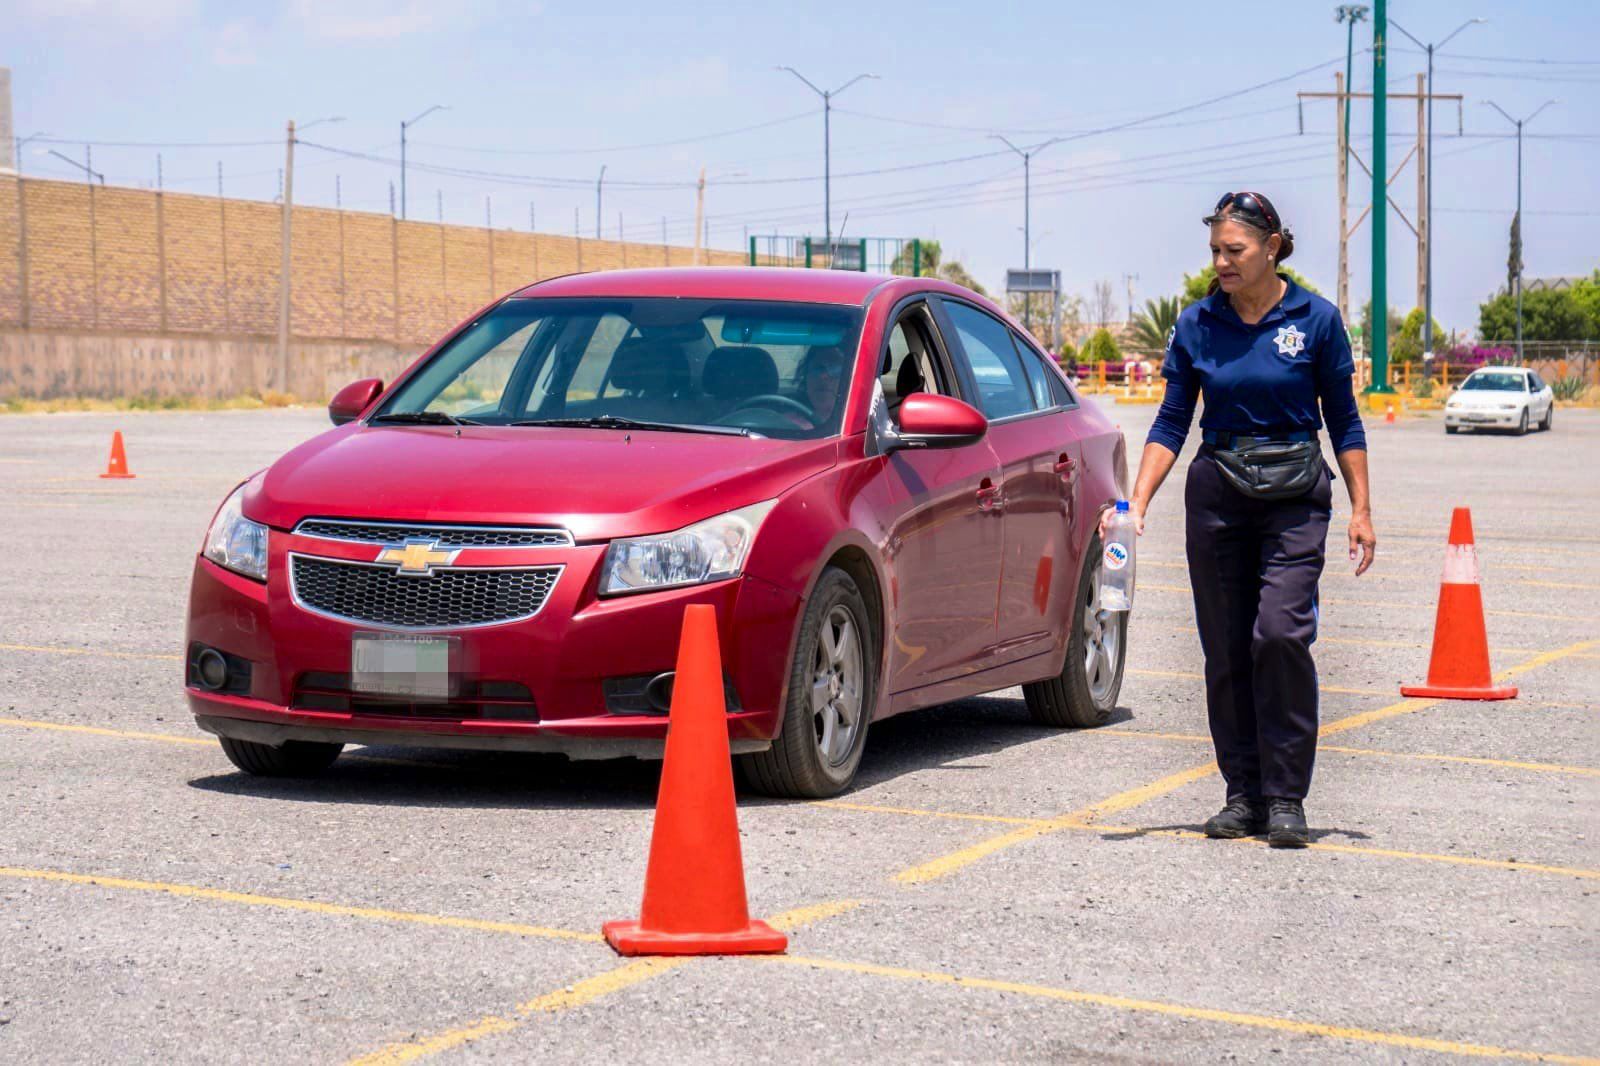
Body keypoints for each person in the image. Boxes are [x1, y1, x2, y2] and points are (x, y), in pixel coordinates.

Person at [1108, 190, 1375, 847]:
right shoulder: (1198, 323)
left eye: (1235, 251)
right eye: (1215, 252)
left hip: (1295, 494)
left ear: (1272, 246)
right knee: (1226, 651)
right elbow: (1173, 419)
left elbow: (1343, 419)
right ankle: (1244, 795)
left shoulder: (1316, 320)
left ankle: (1286, 796)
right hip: (1219, 490)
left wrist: (1362, 508)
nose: (1222, 263)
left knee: (1279, 635)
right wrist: (1136, 502)